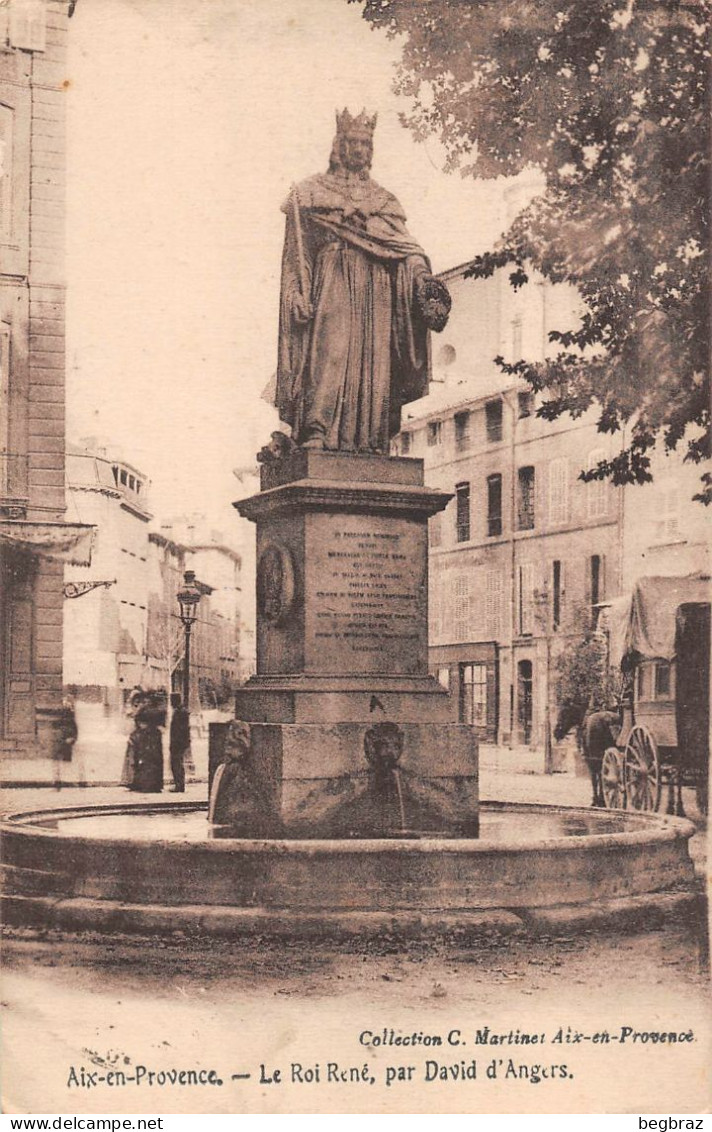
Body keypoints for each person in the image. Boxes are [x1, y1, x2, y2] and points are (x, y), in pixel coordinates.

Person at [275, 108, 450, 454]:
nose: (359, 150)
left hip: (377, 291)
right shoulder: (310, 192)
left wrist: (421, 281)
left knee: (375, 364)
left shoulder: (384, 200)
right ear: (338, 145)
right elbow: (296, 257)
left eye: (366, 144)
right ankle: (317, 428)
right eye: (352, 142)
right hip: (333, 280)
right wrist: (296, 292)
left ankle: (370, 438)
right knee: (330, 353)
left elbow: (405, 249)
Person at [53, 696, 78, 791]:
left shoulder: (70, 716)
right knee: (58, 761)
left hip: (66, 741)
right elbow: (55, 726)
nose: (65, 705)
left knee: (65, 761)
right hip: (59, 740)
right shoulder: (59, 715)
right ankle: (58, 780)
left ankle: (63, 780)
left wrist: (73, 738)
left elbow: (74, 728)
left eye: (67, 704)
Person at [169, 692, 190, 793]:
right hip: (179, 743)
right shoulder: (181, 711)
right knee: (177, 763)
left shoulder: (180, 712)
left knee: (176, 764)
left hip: (178, 743)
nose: (171, 703)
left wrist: (175, 743)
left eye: (172, 700)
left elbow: (180, 730)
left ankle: (179, 785)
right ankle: (179, 784)